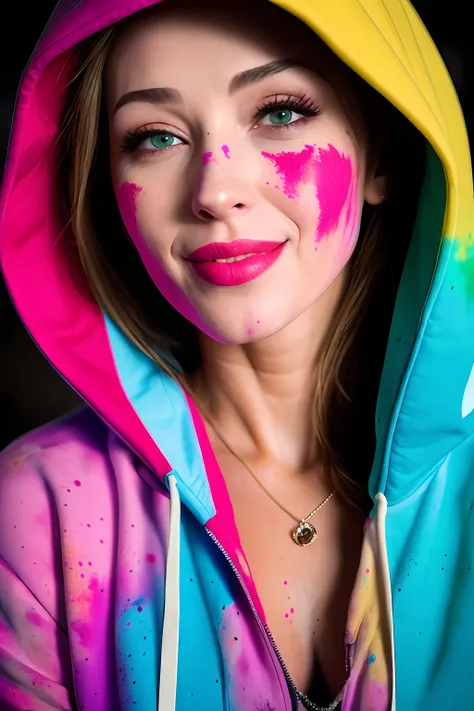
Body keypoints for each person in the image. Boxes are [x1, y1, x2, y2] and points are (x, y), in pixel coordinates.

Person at [0, 0, 472, 708]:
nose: (215, 191)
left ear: (383, 157)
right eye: (155, 137)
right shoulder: (38, 508)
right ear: (110, 195)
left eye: (279, 112)